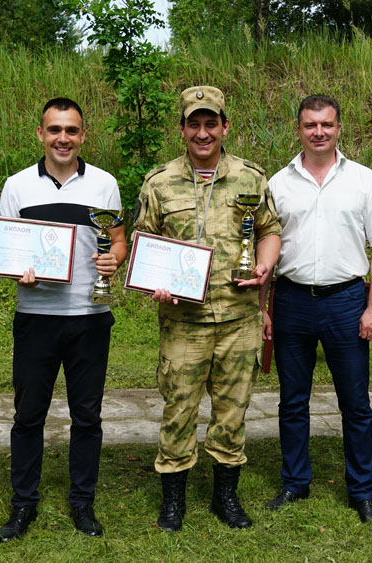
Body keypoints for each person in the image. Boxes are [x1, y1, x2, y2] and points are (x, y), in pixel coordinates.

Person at [133, 85, 281, 531]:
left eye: (210, 123)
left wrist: (265, 264)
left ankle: (225, 499)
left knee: (232, 411)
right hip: (183, 321)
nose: (203, 132)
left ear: (224, 126)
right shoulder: (159, 182)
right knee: (178, 408)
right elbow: (144, 243)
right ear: (182, 128)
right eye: (194, 124)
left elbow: (270, 230)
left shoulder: (251, 178)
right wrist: (157, 284)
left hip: (238, 316)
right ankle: (173, 499)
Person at [0, 98, 126, 542]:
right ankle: (23, 504)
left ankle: (82, 503)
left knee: (87, 416)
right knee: (28, 415)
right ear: (41, 134)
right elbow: (4, 249)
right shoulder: (17, 186)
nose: (63, 138)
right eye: (54, 130)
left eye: (71, 130)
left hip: (90, 315)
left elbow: (119, 240)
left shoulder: (105, 184)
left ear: (83, 135)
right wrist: (17, 271)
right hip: (36, 317)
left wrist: (113, 261)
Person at [263, 95, 372, 522]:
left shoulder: (362, 179)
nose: (318, 132)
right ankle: (295, 483)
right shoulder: (277, 184)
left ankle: (361, 490)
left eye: (326, 124)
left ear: (340, 128)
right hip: (291, 300)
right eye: (310, 125)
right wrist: (263, 309)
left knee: (355, 402)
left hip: (346, 301)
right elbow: (263, 249)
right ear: (298, 129)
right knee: (292, 401)